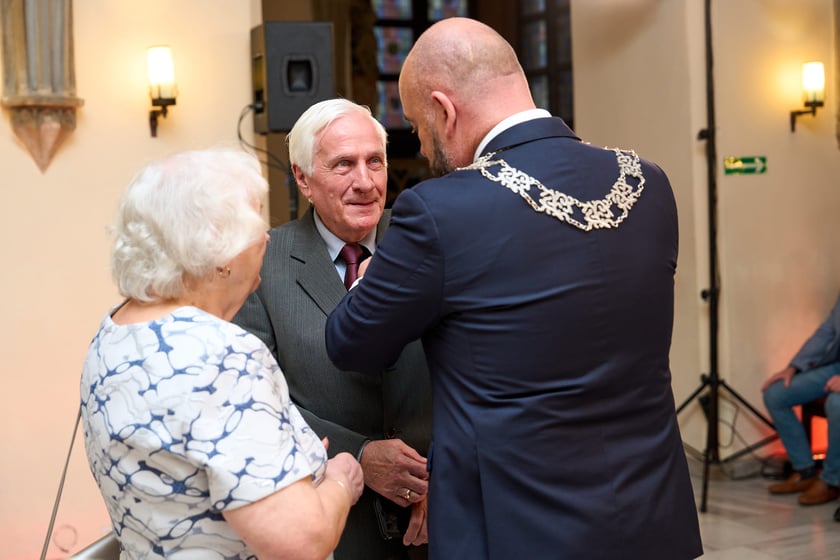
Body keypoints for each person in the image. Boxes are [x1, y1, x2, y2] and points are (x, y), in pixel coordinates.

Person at [325, 17, 703, 560]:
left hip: (514, 528)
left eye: (418, 125)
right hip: (651, 519)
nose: (424, 145)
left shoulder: (440, 211)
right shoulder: (649, 183)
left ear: (445, 109)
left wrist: (374, 274)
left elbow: (351, 342)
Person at [80, 148, 364, 560]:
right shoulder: (221, 355)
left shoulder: (115, 331)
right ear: (220, 251)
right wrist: (340, 481)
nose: (267, 237)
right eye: (256, 220)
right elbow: (301, 541)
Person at [233, 98, 432, 560]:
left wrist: (441, 473)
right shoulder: (262, 264)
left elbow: (471, 370)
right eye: (344, 164)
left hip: (437, 520)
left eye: (374, 162)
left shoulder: (430, 250)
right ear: (303, 178)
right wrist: (358, 454)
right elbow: (257, 400)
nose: (364, 182)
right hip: (330, 521)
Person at [762, 292, 840, 510]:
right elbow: (827, 332)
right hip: (835, 367)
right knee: (776, 394)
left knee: (836, 404)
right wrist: (793, 367)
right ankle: (805, 471)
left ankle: (832, 480)